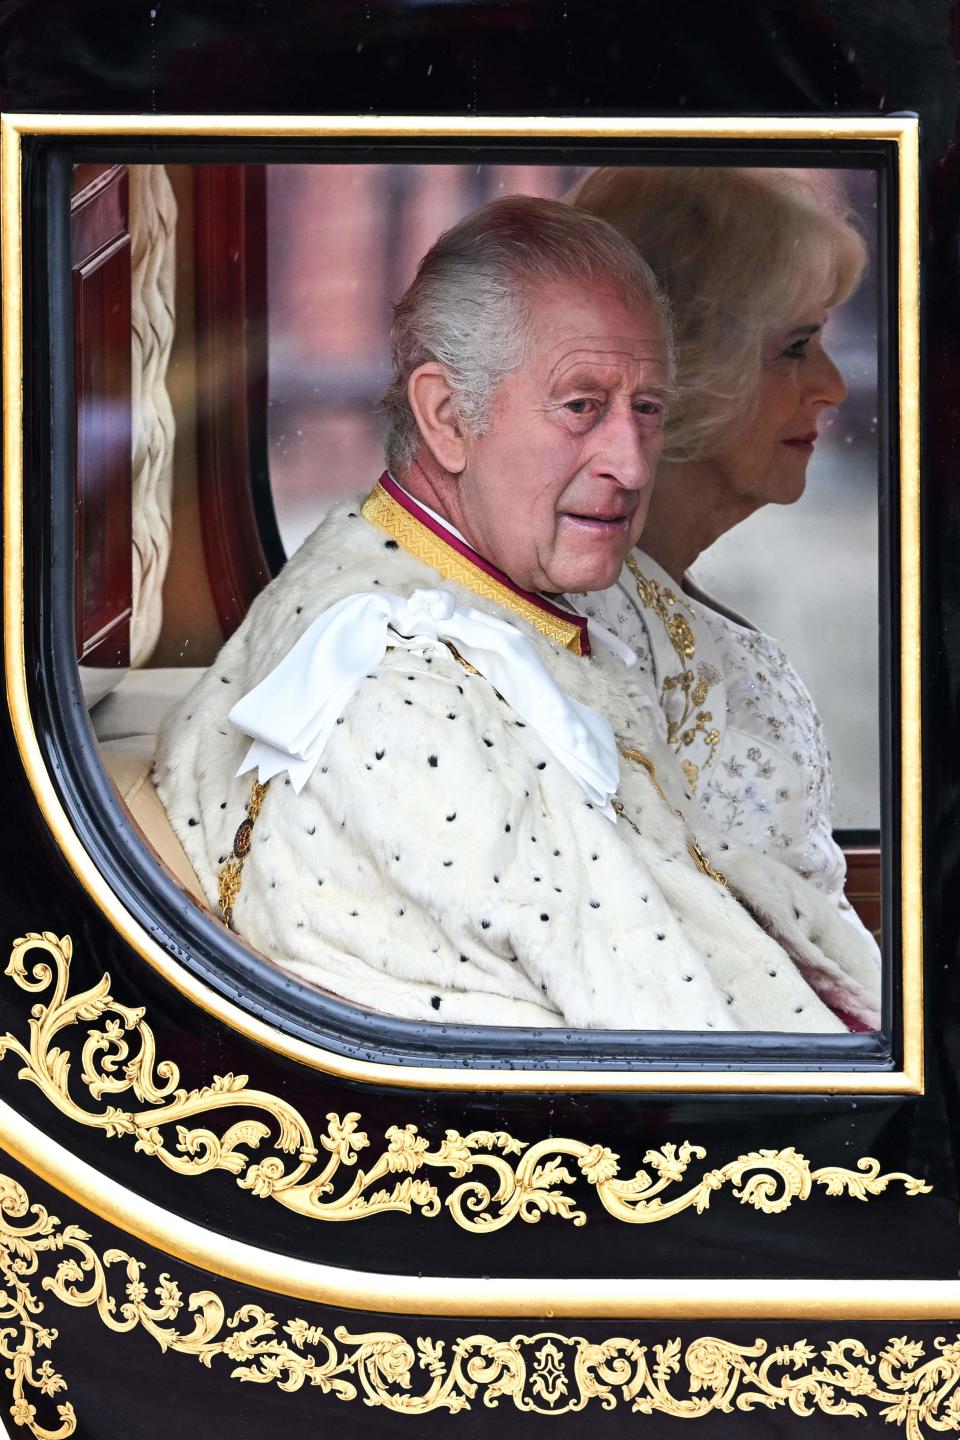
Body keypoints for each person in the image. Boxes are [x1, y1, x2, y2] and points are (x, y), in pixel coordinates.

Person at [155, 195, 879, 1033]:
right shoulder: (403, 694)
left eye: (648, 408)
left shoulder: (483, 587)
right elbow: (668, 1051)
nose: (632, 463)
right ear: (448, 416)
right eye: (582, 406)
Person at [571, 167, 873, 929]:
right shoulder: (587, 637)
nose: (833, 386)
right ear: (687, 364)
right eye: (797, 348)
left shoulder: (654, 604)